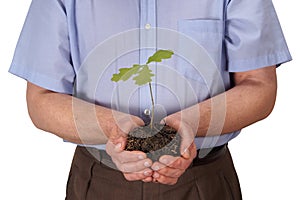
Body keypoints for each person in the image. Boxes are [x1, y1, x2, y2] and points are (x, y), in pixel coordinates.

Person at [9, 0, 291, 199]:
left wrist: (189, 123)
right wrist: (115, 129)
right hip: (99, 182)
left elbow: (259, 85)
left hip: (203, 181)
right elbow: (41, 99)